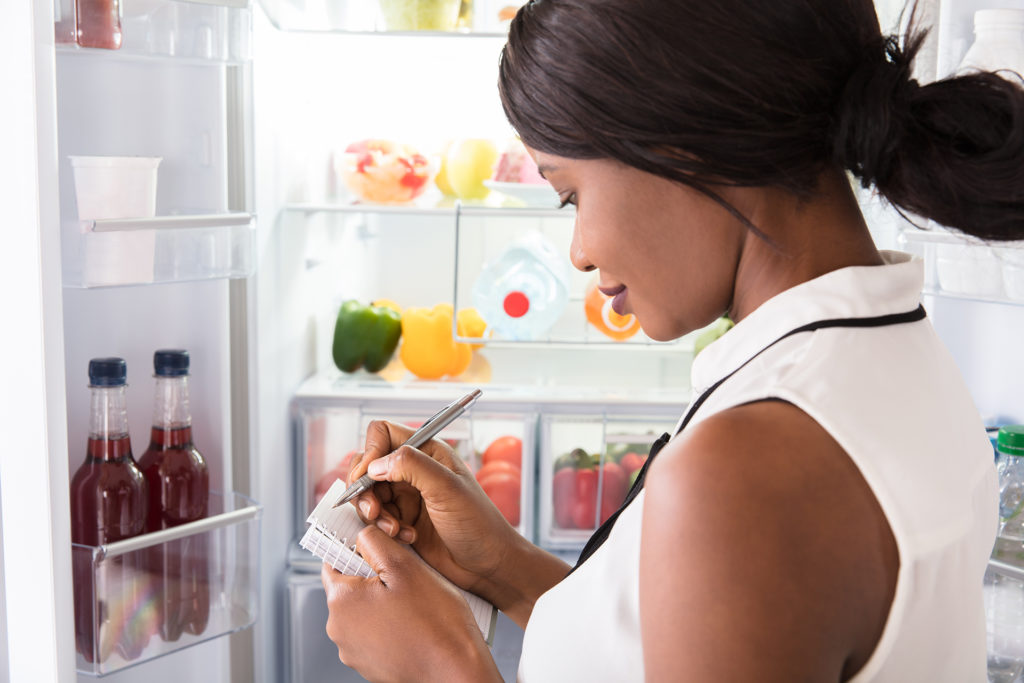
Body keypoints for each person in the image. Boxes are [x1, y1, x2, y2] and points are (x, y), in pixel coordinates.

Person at [321, 0, 1024, 679]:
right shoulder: (885, 357)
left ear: (685, 137)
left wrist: (439, 669)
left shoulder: (750, 468)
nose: (579, 253)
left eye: (571, 195)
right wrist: (501, 568)